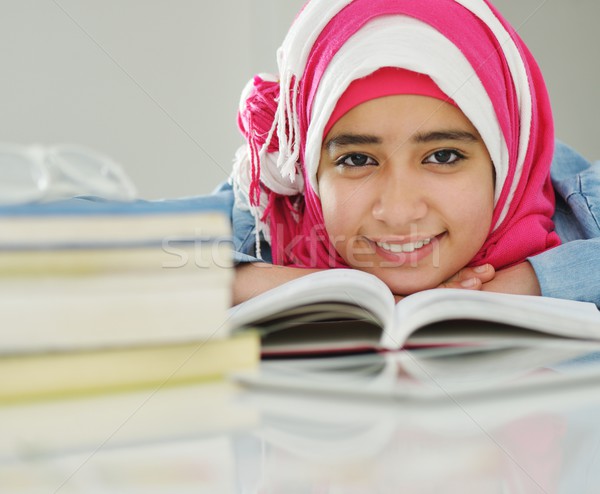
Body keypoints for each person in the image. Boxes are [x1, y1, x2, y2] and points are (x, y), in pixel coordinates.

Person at [227, 0, 600, 306]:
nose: (400, 212)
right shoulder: (269, 210)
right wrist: (333, 292)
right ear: (310, 172)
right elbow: (173, 269)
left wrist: (517, 287)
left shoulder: (581, 204)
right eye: (357, 160)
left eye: (442, 157)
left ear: (505, 163)